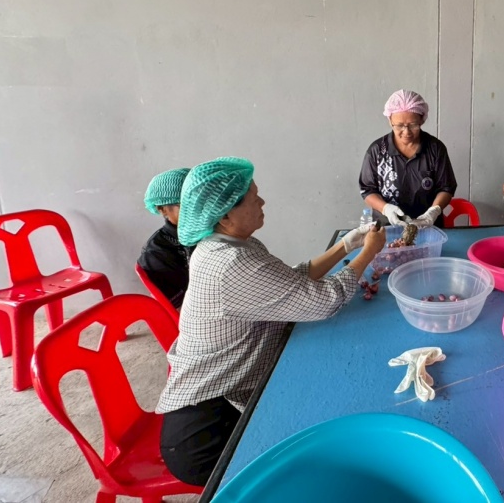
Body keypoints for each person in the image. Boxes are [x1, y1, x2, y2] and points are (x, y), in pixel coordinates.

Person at [156, 157, 385, 486]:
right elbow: (325, 301)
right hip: (206, 431)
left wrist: (346, 245)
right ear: (224, 216)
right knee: (304, 473)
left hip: (226, 399)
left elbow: (291, 281)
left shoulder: (231, 244)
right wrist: (368, 253)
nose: (262, 202)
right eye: (253, 198)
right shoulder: (230, 262)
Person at [359, 89, 457, 228]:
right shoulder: (377, 151)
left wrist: (433, 211)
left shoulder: (435, 149)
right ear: (390, 121)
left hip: (427, 227)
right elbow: (367, 190)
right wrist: (386, 208)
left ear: (422, 120)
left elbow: (446, 188)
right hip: (387, 228)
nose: (406, 132)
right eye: (399, 125)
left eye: (413, 125)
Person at [138, 167, 191, 309]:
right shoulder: (157, 253)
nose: (197, 211)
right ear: (162, 209)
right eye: (186, 206)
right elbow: (179, 306)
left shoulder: (212, 231)